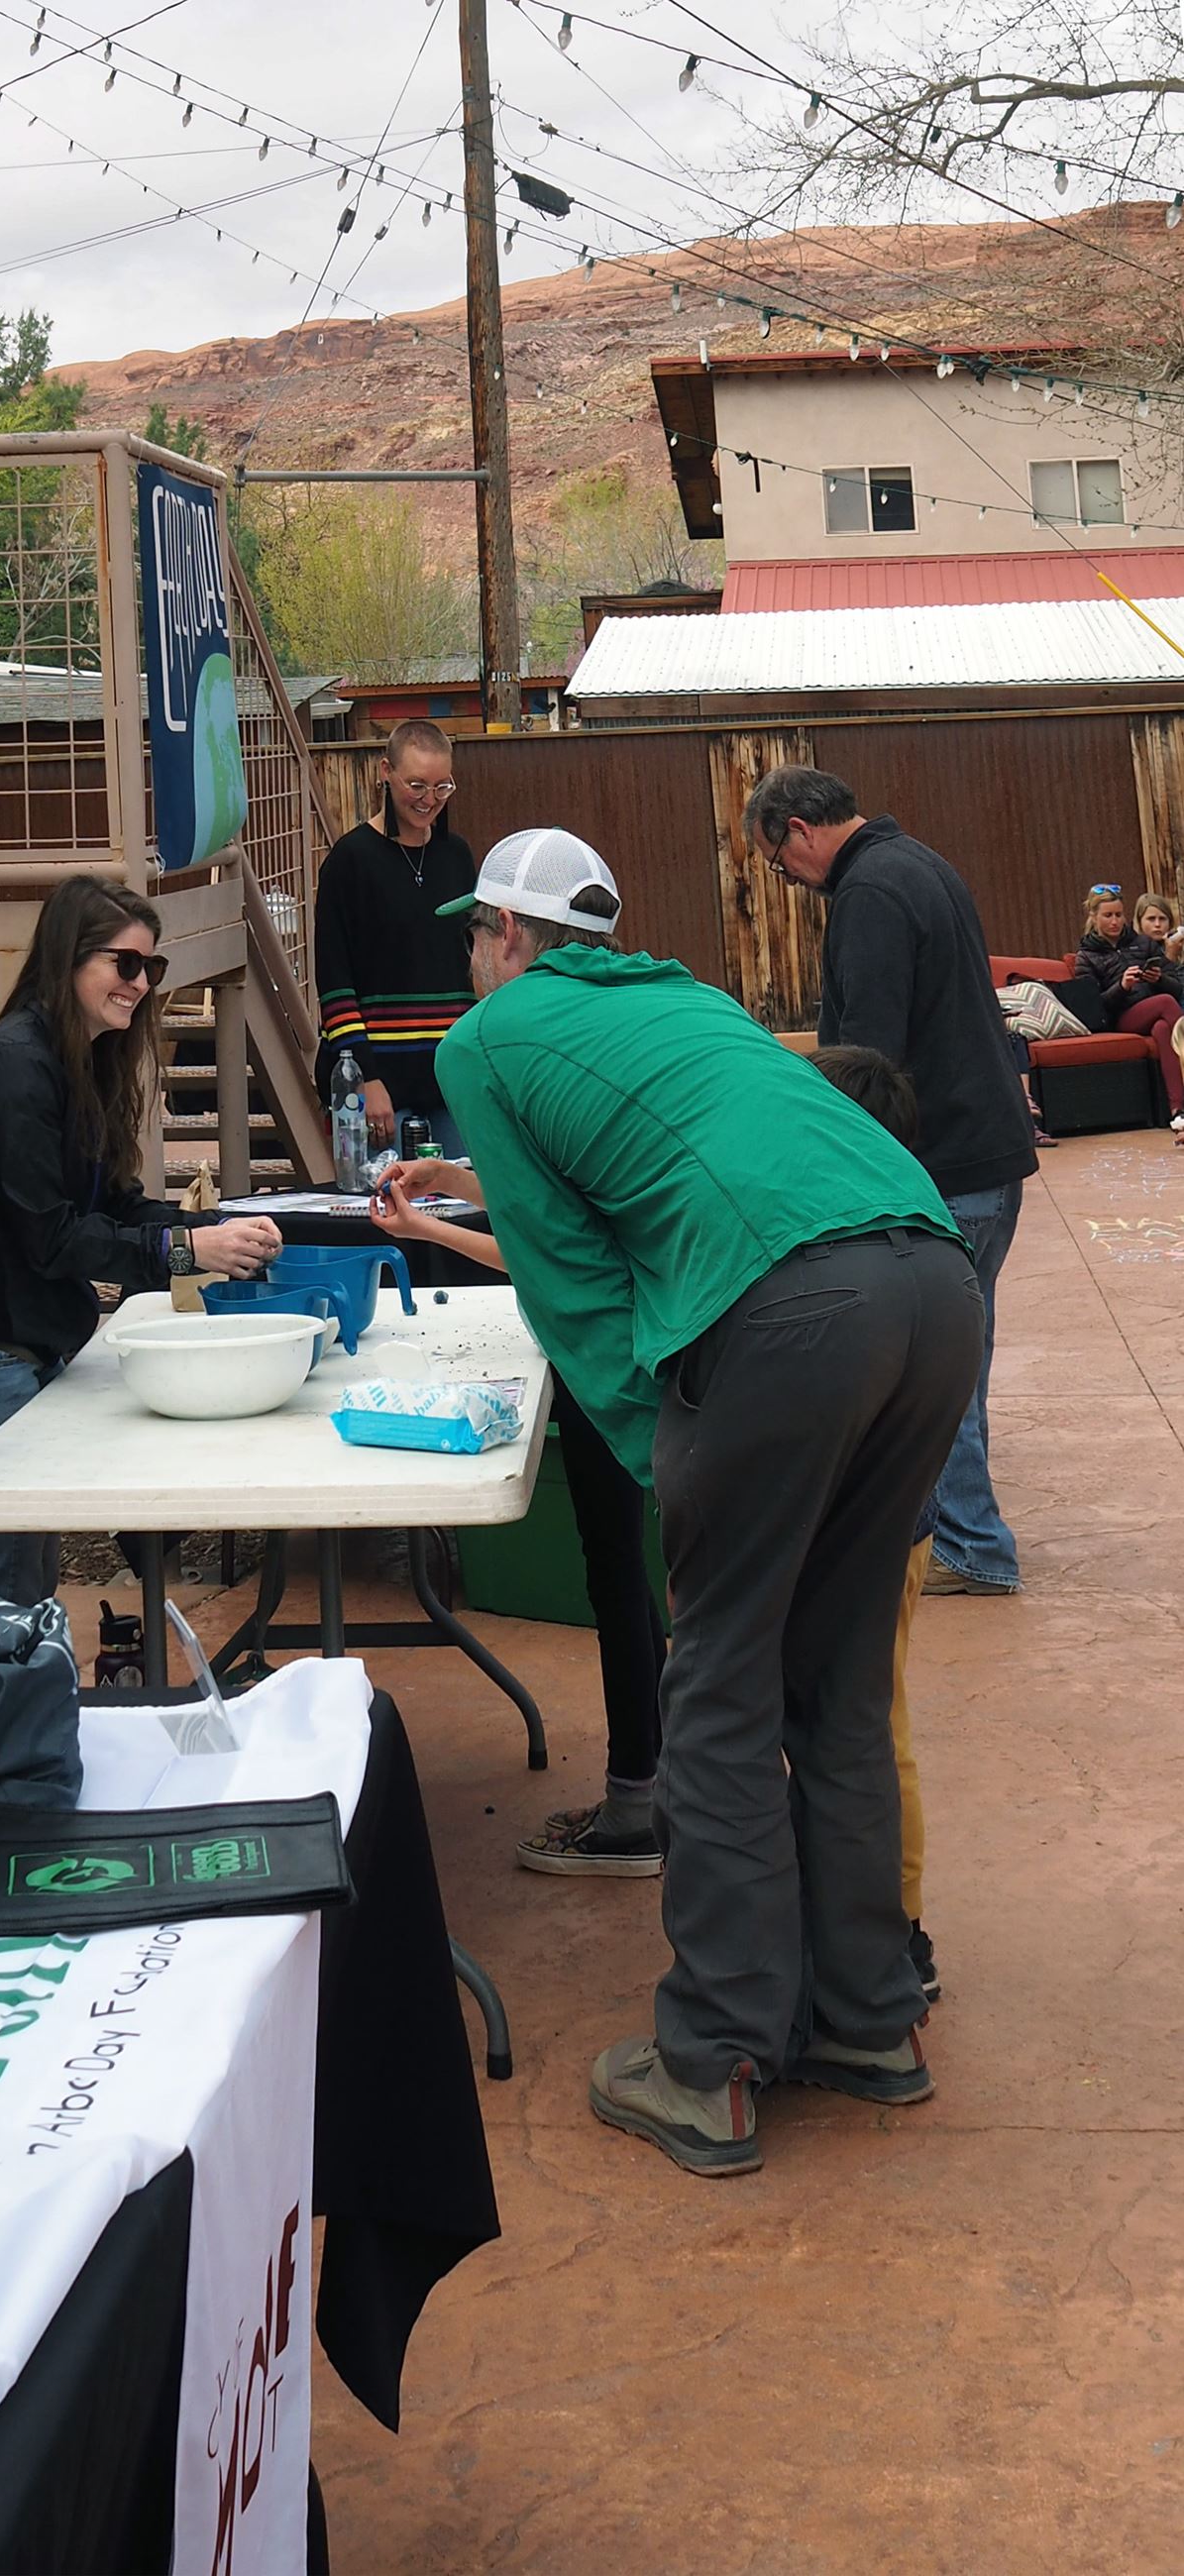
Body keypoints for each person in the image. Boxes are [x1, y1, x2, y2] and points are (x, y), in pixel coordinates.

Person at [432, 826, 981, 2179]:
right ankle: (864, 2022)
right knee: (838, 1680)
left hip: (790, 1314)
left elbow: (566, 1279)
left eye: (472, 939)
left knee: (722, 1685)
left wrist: (656, 1450)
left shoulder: (485, 1042)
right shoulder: (687, 1003)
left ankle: (717, 2058)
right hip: (930, 1279)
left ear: (506, 940)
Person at [0, 875, 281, 1605]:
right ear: (68, 958)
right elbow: (53, 1240)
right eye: (124, 963)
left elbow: (121, 1206)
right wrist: (190, 1252)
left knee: (23, 1597)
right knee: (7, 1603)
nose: (140, 983)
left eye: (152, 967)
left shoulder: (75, 1063)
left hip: (12, 1354)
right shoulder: (15, 1067)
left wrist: (211, 1228)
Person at [745, 765, 1036, 1601]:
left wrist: (831, 1170)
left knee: (928, 1370)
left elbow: (867, 1061)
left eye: (778, 864)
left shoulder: (869, 893)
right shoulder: (919, 862)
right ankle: (962, 1534)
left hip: (941, 1166)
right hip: (984, 1157)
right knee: (954, 1358)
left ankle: (972, 1544)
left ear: (800, 829)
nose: (789, 883)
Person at [371, 1163, 664, 1877]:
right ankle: (655, 1791)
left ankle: (639, 1813)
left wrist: (426, 1226)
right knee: (628, 1573)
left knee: (622, 1573)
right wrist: (449, 1182)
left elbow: (548, 1251)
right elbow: (548, 1212)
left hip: (610, 1363)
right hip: (617, 1355)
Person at [809, 1044, 941, 2005]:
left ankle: (898, 1931)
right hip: (893, 1522)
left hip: (876, 1527)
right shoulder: (896, 1220)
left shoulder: (854, 1247)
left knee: (869, 1721)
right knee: (862, 1719)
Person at [313, 719, 477, 1151]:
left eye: (443, 787)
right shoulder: (349, 861)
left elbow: (472, 964)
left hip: (451, 1079)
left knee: (465, 1209)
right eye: (417, 785)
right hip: (377, 1080)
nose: (429, 800)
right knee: (386, 1209)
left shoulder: (458, 857)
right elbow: (334, 982)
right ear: (386, 771)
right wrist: (366, 1077)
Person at [1074, 884, 1184, 1130]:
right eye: (1108, 916)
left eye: (1119, 915)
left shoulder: (1143, 943)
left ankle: (1178, 1111)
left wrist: (1159, 979)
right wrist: (1121, 986)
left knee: (1161, 1029)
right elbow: (1093, 1010)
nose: (1115, 921)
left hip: (1154, 1011)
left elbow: (1176, 987)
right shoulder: (1086, 956)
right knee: (1165, 1004)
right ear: (1094, 917)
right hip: (1120, 1018)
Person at [1133, 888, 1184, 964]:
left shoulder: (1178, 945)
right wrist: (1170, 956)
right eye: (1151, 919)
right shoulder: (1132, 950)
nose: (1157, 924)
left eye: (1162, 919)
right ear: (1140, 921)